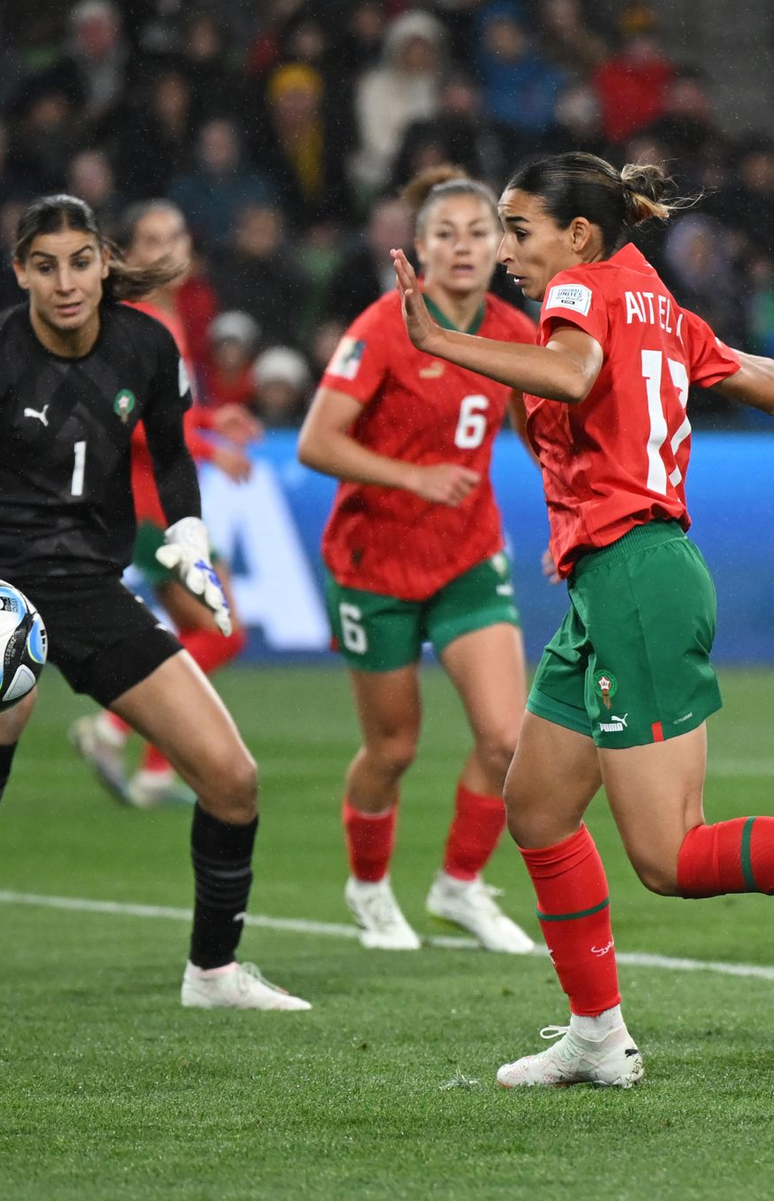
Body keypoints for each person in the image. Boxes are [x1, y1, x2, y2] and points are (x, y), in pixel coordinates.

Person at [390, 151, 774, 1088]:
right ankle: (595, 1033)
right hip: (613, 574)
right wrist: (689, 376)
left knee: (670, 853)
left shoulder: (580, 292)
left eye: (519, 227)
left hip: (639, 580)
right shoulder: (650, 296)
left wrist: (442, 341)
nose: (505, 248)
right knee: (536, 807)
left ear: (578, 234)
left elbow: (575, 376)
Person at [0, 194, 307, 1011]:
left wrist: (191, 539)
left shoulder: (146, 344)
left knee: (232, 778)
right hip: (4, 591)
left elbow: (172, 459)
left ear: (104, 262)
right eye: (45, 265)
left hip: (92, 592)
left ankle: (212, 974)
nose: (66, 282)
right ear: (20, 271)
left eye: (80, 261)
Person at [297, 168, 537, 956]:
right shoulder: (382, 327)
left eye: (479, 233)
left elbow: (538, 431)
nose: (464, 247)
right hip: (376, 562)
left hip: (468, 555)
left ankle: (459, 885)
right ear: (420, 248)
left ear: (500, 245)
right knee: (394, 748)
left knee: (508, 740)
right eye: (446, 233)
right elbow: (316, 440)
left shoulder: (511, 328)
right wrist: (414, 476)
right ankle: (367, 889)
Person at [69, 199, 257, 807]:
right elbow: (137, 426)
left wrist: (210, 418)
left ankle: (156, 771)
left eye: (176, 236)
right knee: (222, 633)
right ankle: (111, 724)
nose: (168, 249)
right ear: (126, 255)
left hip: (160, 504)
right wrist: (208, 445)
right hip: (145, 506)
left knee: (191, 629)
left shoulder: (164, 317)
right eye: (152, 241)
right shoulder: (132, 321)